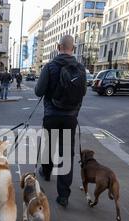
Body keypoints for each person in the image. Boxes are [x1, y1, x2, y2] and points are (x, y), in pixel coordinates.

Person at [34, 35, 87, 208]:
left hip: (51, 115)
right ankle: (63, 195)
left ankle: (46, 172)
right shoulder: (80, 68)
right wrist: (74, 113)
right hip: (70, 117)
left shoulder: (50, 67)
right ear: (73, 48)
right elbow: (82, 94)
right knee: (66, 154)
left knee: (48, 147)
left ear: (58, 47)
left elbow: (38, 91)